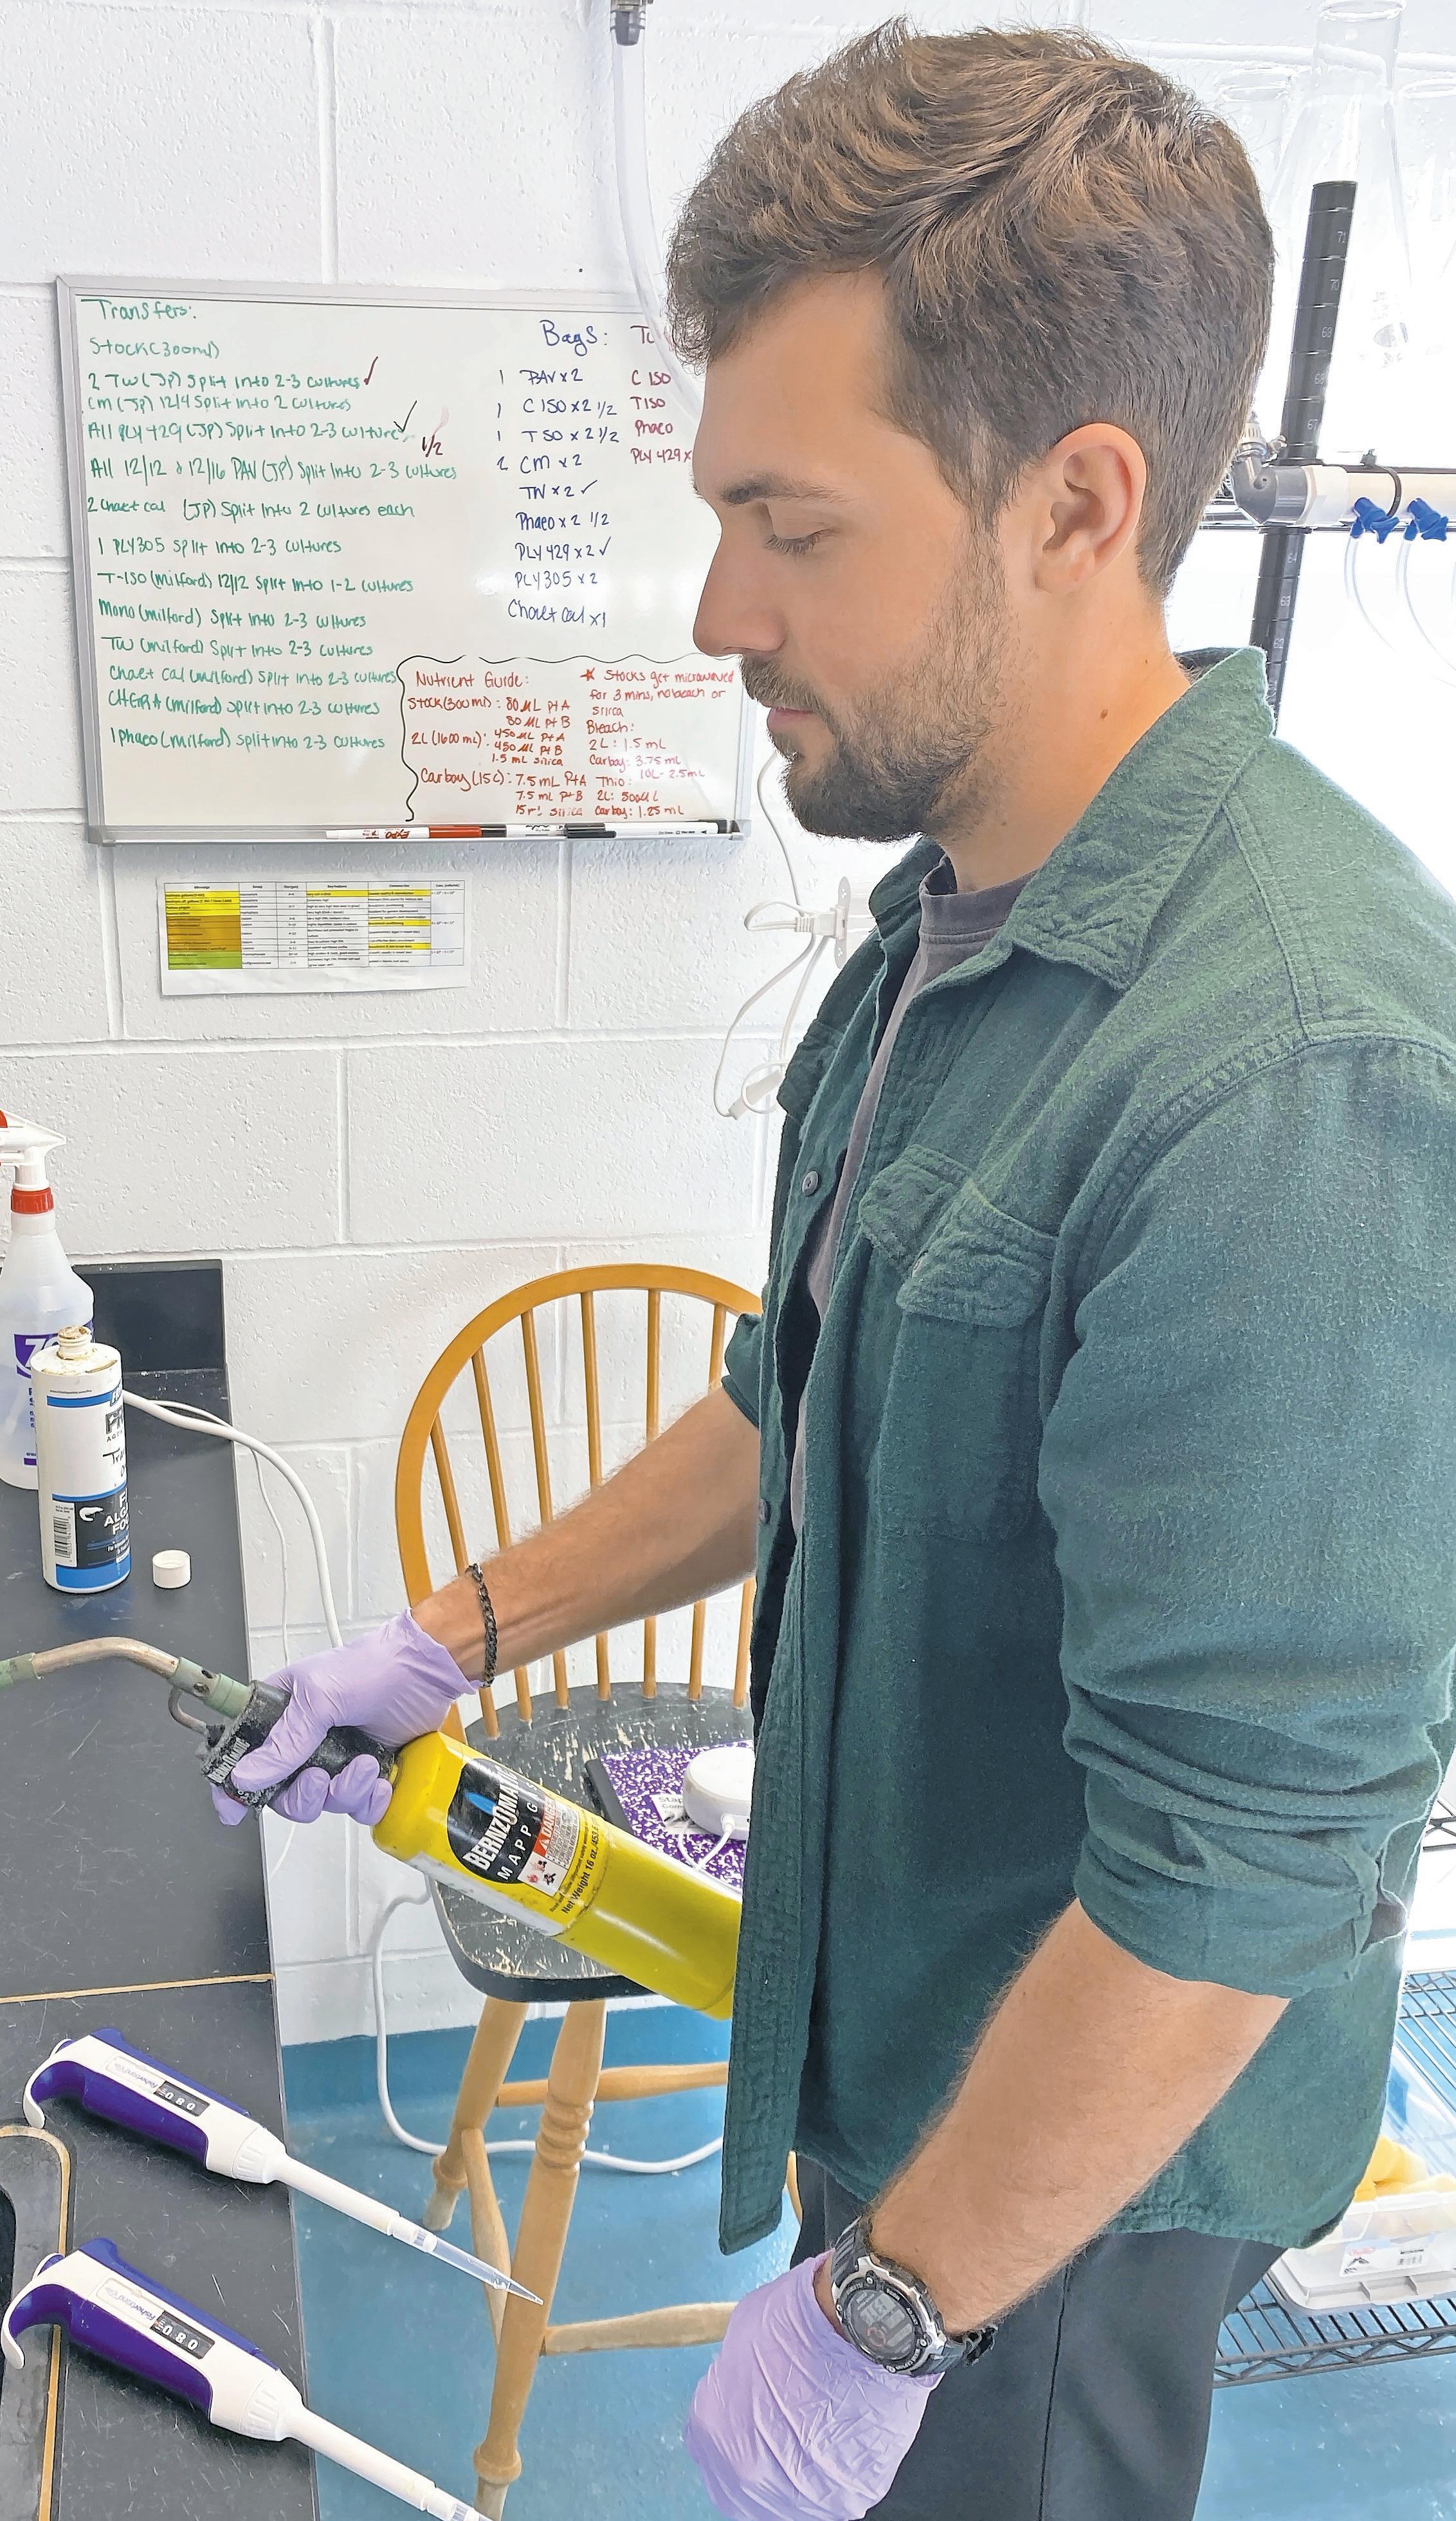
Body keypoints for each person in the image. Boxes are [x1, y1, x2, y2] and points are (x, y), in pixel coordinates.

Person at [217, 22, 1456, 2518]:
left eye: (791, 525)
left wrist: (900, 2300)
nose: (717, 610)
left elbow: (1239, 1877)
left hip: (1070, 2181)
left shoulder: (1288, 1067)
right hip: (903, 2040)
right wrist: (456, 1628)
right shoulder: (948, 921)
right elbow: (804, 1395)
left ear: (1073, 504)